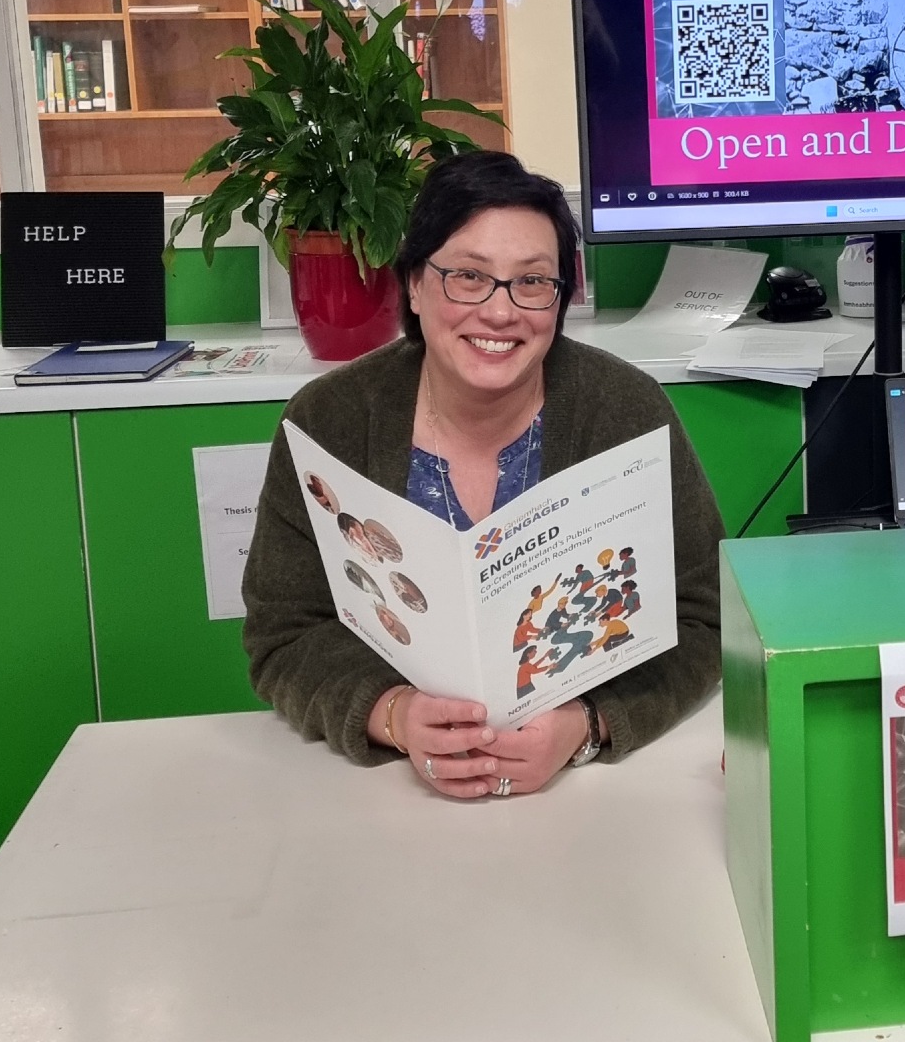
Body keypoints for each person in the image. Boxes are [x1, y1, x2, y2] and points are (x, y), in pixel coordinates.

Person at [242, 151, 724, 801]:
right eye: (468, 277)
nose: (500, 312)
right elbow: (283, 634)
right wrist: (394, 716)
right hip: (383, 799)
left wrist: (588, 725)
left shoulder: (625, 409)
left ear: (560, 298)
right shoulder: (328, 420)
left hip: (588, 799)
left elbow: (704, 616)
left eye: (533, 281)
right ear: (415, 284)